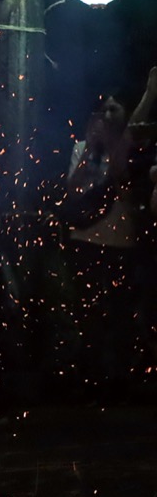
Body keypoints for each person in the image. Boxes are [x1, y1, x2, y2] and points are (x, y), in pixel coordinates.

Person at [57, 68, 156, 402]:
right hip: (85, 239)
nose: (108, 115)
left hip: (120, 241)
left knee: (118, 312)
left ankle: (119, 378)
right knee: (88, 312)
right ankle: (89, 377)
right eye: (104, 109)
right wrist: (90, 147)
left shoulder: (133, 147)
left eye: (115, 108)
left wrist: (148, 95)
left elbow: (119, 169)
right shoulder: (83, 146)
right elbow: (72, 190)